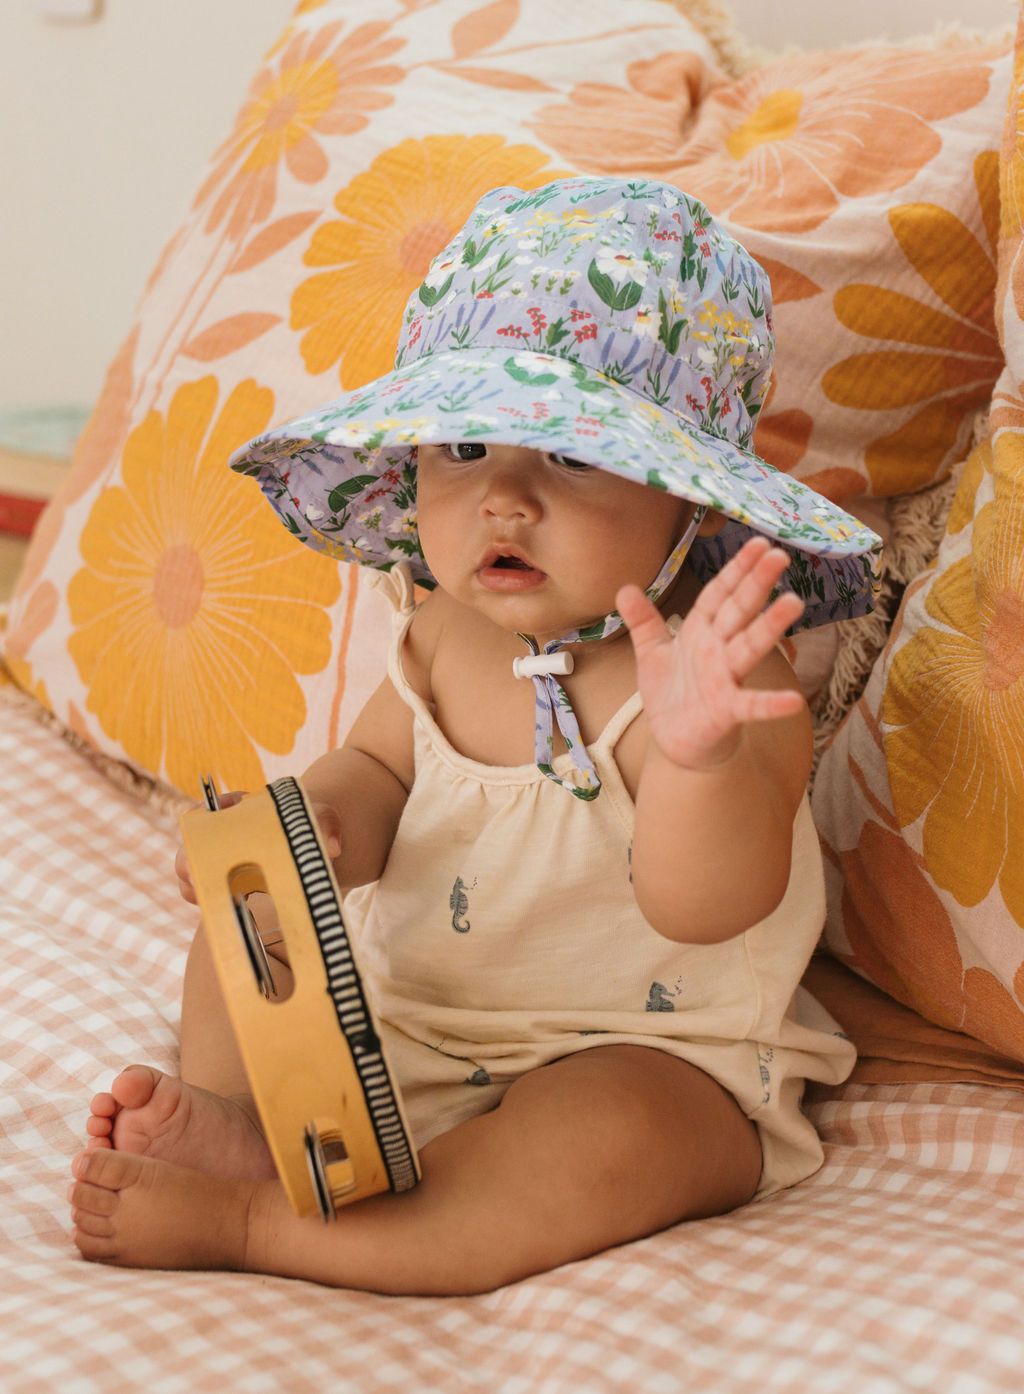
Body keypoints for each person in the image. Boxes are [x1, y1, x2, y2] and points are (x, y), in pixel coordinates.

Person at [68, 177, 881, 1294]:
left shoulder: (719, 671)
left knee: (617, 1136)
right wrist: (312, 829)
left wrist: (698, 757)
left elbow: (703, 904)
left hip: (642, 1050)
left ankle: (264, 1224)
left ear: (687, 501)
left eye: (570, 455)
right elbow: (376, 769)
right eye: (462, 448)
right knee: (248, 911)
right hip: (397, 1030)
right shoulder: (442, 629)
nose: (503, 499)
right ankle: (254, 1121)